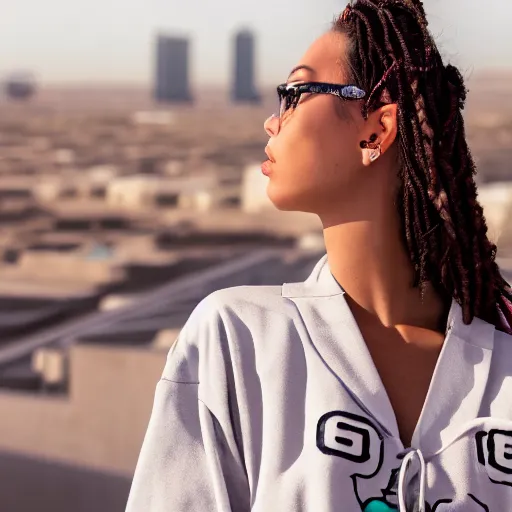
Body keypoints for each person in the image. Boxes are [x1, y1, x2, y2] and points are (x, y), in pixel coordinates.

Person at [125, 1, 512, 510]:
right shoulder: (239, 341)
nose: (271, 121)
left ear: (375, 131)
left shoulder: (503, 363)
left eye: (294, 94)